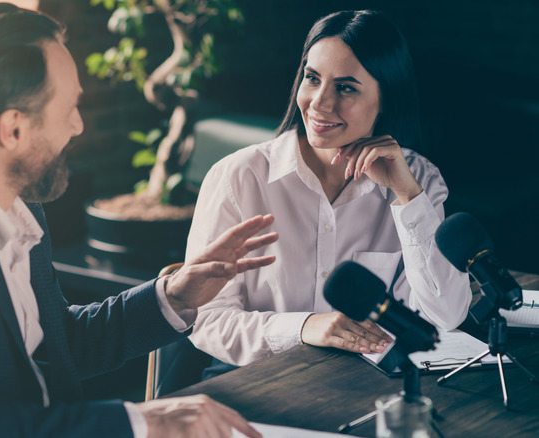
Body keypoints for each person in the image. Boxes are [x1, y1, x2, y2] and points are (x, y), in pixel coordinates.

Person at [0, 3, 278, 437]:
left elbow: (56, 341)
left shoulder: (19, 205)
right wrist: (145, 422)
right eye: (68, 110)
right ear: (13, 129)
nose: (78, 126)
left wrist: (175, 296)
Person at [185, 10, 472, 370]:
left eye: (346, 87)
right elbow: (206, 321)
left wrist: (406, 196)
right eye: (312, 78)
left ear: (386, 99)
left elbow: (446, 315)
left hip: (365, 387)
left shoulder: (419, 181)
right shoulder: (237, 178)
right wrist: (304, 327)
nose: (320, 103)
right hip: (255, 381)